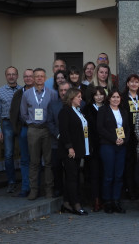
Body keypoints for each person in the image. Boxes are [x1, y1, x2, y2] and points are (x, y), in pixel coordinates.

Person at [20, 68, 58, 200]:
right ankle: (34, 190)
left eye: (42, 76)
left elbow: (54, 111)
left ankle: (48, 190)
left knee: (48, 162)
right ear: (33, 78)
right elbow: (23, 113)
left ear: (45, 78)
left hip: (47, 130)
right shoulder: (27, 94)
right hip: (33, 130)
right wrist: (31, 122)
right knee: (34, 162)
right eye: (37, 76)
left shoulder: (52, 93)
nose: (39, 79)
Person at [58, 88, 90, 216]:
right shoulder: (65, 111)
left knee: (74, 176)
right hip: (69, 151)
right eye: (78, 97)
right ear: (71, 98)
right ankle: (76, 204)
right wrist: (69, 147)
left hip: (79, 150)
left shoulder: (78, 111)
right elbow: (64, 131)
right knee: (72, 178)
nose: (81, 99)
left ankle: (66, 203)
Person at [97, 90, 130, 214]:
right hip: (108, 146)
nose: (116, 99)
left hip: (121, 146)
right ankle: (107, 202)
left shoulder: (123, 111)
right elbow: (100, 128)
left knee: (118, 175)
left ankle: (116, 201)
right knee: (108, 175)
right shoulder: (103, 111)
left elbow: (127, 129)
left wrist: (124, 140)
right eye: (113, 97)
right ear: (109, 99)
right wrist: (114, 139)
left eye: (118, 97)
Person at [0, 66, 22, 193]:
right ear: (6, 76)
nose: (11, 76)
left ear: (17, 76)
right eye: (9, 74)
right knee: (8, 154)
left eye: (13, 74)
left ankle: (26, 181)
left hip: (21, 124)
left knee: (25, 153)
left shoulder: (23, 90)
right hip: (7, 124)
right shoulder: (0, 91)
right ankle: (11, 181)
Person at [9, 69, 35, 197]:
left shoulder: (41, 92)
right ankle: (25, 188)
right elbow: (13, 112)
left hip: (38, 129)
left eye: (31, 76)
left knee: (36, 160)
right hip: (24, 129)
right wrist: (17, 129)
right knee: (25, 160)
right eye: (26, 76)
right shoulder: (19, 93)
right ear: (23, 78)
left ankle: (36, 187)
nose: (28, 78)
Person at [121, 74, 139, 200]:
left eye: (136, 82)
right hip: (128, 134)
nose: (134, 84)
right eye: (132, 82)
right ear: (127, 84)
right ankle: (129, 189)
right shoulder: (123, 98)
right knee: (129, 162)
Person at [83, 86, 106, 212]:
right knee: (94, 174)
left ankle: (104, 199)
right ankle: (95, 200)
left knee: (105, 173)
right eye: (96, 94)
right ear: (92, 96)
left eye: (101, 94)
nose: (99, 97)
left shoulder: (108, 108)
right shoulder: (87, 109)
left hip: (106, 145)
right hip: (92, 147)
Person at [47, 81, 71, 198]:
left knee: (70, 168)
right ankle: (58, 188)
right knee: (56, 167)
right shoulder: (53, 105)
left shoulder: (78, 104)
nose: (63, 93)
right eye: (61, 90)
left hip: (72, 143)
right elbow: (50, 123)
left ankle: (69, 190)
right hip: (56, 142)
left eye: (65, 90)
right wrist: (58, 135)